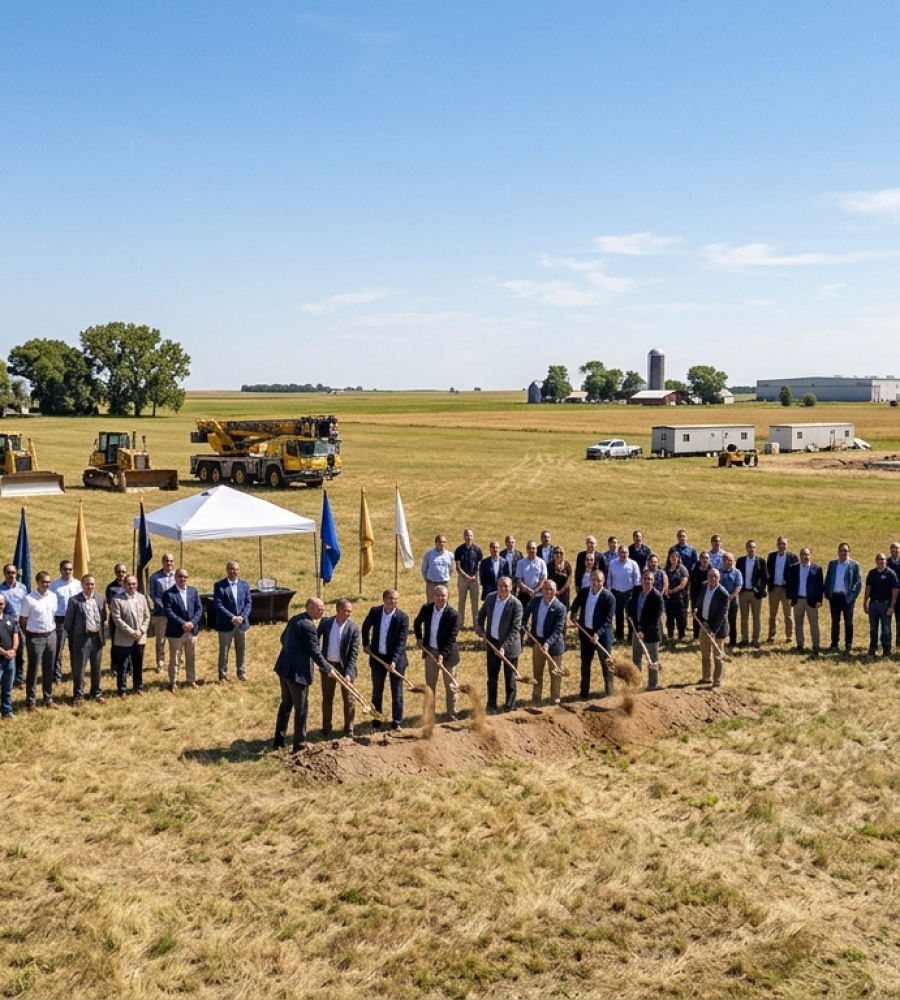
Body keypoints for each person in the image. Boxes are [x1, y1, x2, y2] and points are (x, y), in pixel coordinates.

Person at [273, 597, 335, 753]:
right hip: (296, 674)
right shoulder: (308, 626)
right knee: (301, 709)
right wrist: (328, 668)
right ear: (309, 608)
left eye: (323, 608)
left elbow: (283, 638)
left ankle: (279, 741)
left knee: (286, 705)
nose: (322, 611)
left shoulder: (295, 619)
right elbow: (315, 651)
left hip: (284, 669)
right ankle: (299, 744)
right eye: (318, 608)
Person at [361, 589, 409, 731]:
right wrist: (366, 644)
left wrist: (393, 661)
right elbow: (365, 627)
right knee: (377, 690)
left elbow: (401, 641)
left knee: (397, 691)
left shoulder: (402, 618)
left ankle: (397, 721)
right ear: (384, 599)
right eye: (390, 598)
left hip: (396, 660)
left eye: (395, 599)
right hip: (378, 658)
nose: (392, 601)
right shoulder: (375, 612)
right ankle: (377, 718)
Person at [413, 585, 461, 720]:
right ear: (434, 597)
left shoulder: (454, 615)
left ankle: (451, 713)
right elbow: (417, 623)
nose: (441, 598)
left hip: (448, 656)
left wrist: (442, 655)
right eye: (438, 595)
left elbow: (452, 638)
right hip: (430, 652)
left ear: (448, 597)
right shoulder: (426, 609)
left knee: (450, 686)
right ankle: (430, 714)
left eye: (443, 596)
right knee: (430, 686)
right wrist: (419, 638)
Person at [476, 576, 522, 713]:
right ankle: (491, 705)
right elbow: (481, 613)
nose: (503, 589)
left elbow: (515, 629)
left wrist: (504, 647)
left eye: (506, 586)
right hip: (492, 643)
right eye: (501, 586)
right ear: (497, 586)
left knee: (510, 679)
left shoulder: (516, 604)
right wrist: (479, 625)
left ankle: (509, 706)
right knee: (492, 678)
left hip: (510, 647)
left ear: (511, 588)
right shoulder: (490, 598)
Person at [318, 598, 361, 738]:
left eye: (350, 611)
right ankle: (326, 728)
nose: (348, 614)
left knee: (348, 700)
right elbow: (315, 641)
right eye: (346, 611)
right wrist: (322, 663)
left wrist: (348, 673)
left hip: (345, 669)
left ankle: (349, 730)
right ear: (338, 610)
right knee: (327, 698)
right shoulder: (326, 623)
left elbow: (354, 653)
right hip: (328, 666)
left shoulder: (353, 628)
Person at [570, 570, 616, 698]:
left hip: (603, 635)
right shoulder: (584, 592)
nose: (596, 583)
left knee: (606, 663)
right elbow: (575, 605)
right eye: (593, 580)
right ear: (590, 580)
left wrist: (598, 634)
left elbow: (608, 619)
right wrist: (573, 615)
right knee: (585, 663)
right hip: (586, 633)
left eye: (599, 580)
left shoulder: (609, 597)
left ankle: (610, 691)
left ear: (603, 581)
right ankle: (584, 692)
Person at [63, 574, 107, 705]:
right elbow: (68, 623)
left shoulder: (100, 598)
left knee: (96, 667)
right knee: (79, 668)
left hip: (97, 638)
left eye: (92, 584)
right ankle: (78, 695)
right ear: (82, 585)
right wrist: (74, 639)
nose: (90, 587)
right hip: (81, 640)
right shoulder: (74, 601)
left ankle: (96, 692)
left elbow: (103, 617)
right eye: (87, 584)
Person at [522, 579, 566, 705]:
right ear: (542, 590)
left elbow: (558, 630)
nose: (548, 592)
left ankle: (555, 699)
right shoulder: (536, 601)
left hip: (554, 646)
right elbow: (526, 613)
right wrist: (524, 624)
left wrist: (548, 643)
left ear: (555, 591)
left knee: (555, 674)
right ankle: (536, 698)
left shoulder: (560, 608)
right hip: (538, 643)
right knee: (537, 672)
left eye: (551, 589)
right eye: (546, 589)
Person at [19, 571, 58, 711]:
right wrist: (29, 633)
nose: (46, 585)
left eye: (48, 582)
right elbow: (22, 620)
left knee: (49, 668)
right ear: (38, 582)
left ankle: (48, 698)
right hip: (35, 637)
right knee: (33, 669)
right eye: (44, 582)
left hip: (51, 635)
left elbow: (53, 614)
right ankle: (31, 701)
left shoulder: (53, 597)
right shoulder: (29, 599)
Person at [110, 575, 150, 698]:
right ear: (124, 585)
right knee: (123, 665)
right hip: (124, 638)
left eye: (134, 584)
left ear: (137, 584)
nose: (131, 586)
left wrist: (141, 630)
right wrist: (132, 632)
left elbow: (147, 616)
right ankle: (122, 690)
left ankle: (138, 686)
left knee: (138, 663)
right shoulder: (117, 599)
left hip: (140, 638)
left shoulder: (142, 598)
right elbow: (117, 619)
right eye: (128, 584)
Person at [163, 568, 203, 691]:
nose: (182, 579)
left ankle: (191, 680)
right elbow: (169, 612)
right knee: (175, 658)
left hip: (191, 630)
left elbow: (199, 609)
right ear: (175, 578)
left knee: (191, 657)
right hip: (176, 632)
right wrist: (182, 623)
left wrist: (192, 622)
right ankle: (173, 682)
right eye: (180, 576)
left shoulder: (193, 591)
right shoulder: (168, 594)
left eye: (185, 577)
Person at [212, 560, 252, 682]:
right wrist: (232, 617)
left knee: (241, 649)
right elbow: (218, 605)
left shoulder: (244, 585)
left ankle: (241, 673)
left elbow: (248, 603)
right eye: (230, 569)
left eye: (235, 569)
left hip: (241, 624)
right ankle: (222, 675)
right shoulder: (219, 585)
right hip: (225, 624)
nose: (233, 571)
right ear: (226, 570)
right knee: (224, 650)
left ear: (238, 571)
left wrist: (242, 617)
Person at [628, 570, 664, 690]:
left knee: (652, 659)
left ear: (653, 581)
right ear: (641, 580)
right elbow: (631, 605)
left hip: (651, 633)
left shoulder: (657, 596)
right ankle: (637, 682)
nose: (647, 581)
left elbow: (655, 617)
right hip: (636, 629)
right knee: (636, 658)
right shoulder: (637, 590)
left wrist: (643, 631)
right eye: (645, 579)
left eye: (650, 579)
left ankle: (653, 685)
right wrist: (629, 613)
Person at [823, 542, 862, 654]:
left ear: (849, 552)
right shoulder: (832, 564)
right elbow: (828, 579)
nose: (843, 553)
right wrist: (827, 593)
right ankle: (834, 643)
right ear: (838, 552)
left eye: (846, 551)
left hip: (847, 598)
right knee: (835, 621)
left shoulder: (854, 565)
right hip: (835, 597)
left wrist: (851, 595)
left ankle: (848, 645)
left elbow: (858, 583)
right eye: (841, 550)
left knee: (848, 622)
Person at [786, 547, 824, 658]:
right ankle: (800, 645)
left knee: (814, 625)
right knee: (798, 623)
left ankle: (816, 647)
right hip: (798, 600)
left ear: (810, 555)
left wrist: (819, 600)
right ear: (800, 556)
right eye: (802, 554)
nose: (804, 557)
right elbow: (790, 584)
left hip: (811, 601)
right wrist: (790, 597)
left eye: (807, 554)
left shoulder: (817, 569)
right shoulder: (794, 568)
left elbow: (820, 586)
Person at [696, 567, 729, 687]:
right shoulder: (705, 586)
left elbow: (722, 614)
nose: (712, 578)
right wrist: (701, 618)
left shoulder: (723, 593)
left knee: (718, 655)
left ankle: (717, 679)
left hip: (717, 629)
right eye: (710, 576)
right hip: (704, 625)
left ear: (719, 578)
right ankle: (706, 677)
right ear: (707, 577)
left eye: (715, 576)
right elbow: (700, 601)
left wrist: (713, 630)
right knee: (705, 653)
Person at [50, 559, 82, 684]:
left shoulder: (78, 584)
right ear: (60, 570)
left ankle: (76, 674)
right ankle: (56, 676)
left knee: (75, 649)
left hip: (75, 620)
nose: (67, 571)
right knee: (58, 650)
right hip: (60, 620)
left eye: (70, 569)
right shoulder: (54, 585)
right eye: (65, 569)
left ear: (73, 570)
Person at [863, 553, 899, 658]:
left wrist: (892, 606)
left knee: (886, 628)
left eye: (883, 559)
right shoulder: (872, 573)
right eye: (879, 559)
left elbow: (895, 590)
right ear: (876, 560)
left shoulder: (891, 574)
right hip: (873, 604)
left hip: (885, 605)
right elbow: (868, 588)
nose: (881, 561)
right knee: (873, 628)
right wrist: (865, 602)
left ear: (886, 561)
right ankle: (873, 649)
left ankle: (887, 650)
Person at [767, 537, 799, 642]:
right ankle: (771, 635)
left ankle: (789, 636)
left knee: (788, 614)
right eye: (780, 544)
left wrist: (793, 591)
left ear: (787, 545)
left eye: (784, 544)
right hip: (774, 589)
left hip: (786, 591)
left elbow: (796, 575)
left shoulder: (793, 558)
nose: (782, 546)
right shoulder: (771, 557)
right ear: (777, 544)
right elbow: (768, 572)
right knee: (772, 614)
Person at [736, 540, 768, 647]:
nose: (751, 549)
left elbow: (765, 578)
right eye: (749, 547)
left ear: (756, 548)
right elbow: (738, 576)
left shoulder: (761, 561)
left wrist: (760, 590)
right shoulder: (740, 561)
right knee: (744, 617)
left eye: (753, 547)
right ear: (746, 548)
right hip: (743, 593)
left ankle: (755, 640)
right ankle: (744, 639)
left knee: (756, 617)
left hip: (755, 594)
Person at [0, 564, 28, 687]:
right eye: (9, 573)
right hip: (5, 625)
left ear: (17, 574)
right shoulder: (0, 589)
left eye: (13, 573)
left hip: (20, 624)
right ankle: (5, 678)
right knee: (5, 651)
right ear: (4, 574)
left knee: (19, 653)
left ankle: (19, 679)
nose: (11, 575)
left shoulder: (23, 588)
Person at [148, 553, 176, 673]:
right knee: (161, 640)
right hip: (161, 613)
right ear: (162, 562)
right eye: (166, 561)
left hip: (175, 614)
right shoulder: (155, 577)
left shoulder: (178, 575)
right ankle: (160, 662)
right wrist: (162, 605)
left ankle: (175, 661)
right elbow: (152, 594)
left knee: (175, 639)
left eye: (171, 561)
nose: (169, 563)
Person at [607, 545, 641, 643]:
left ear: (628, 553)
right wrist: (609, 591)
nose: (624, 554)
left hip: (629, 592)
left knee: (630, 615)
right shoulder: (613, 563)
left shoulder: (633, 564)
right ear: (618, 553)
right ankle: (619, 636)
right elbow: (609, 578)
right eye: (622, 552)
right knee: (618, 615)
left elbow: (637, 580)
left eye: (626, 552)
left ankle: (631, 636)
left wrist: (634, 594)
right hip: (616, 592)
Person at [454, 529, 483, 629]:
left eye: (470, 535)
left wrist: (475, 575)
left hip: (475, 579)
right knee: (461, 602)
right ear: (464, 536)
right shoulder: (459, 550)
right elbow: (458, 567)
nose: (468, 537)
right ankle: (460, 624)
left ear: (473, 537)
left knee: (475, 603)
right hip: (463, 579)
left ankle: (476, 624)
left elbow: (479, 565)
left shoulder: (477, 550)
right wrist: (466, 576)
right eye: (466, 535)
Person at [0, 594, 19, 720]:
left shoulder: (10, 619)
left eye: (1, 604)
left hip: (10, 659)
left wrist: (13, 650)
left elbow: (15, 635)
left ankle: (7, 712)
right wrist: (4, 652)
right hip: (1, 658)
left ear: (4, 604)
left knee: (7, 688)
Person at [663, 549, 689, 643]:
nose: (674, 558)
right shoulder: (665, 570)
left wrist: (672, 591)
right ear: (669, 558)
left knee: (680, 618)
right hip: (669, 599)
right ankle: (670, 635)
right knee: (670, 618)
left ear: (679, 558)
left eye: (676, 556)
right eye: (672, 556)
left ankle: (681, 636)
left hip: (680, 598)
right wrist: (666, 591)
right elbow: (664, 582)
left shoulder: (682, 569)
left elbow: (683, 584)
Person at [719, 552, 743, 649]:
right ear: (723, 561)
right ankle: (720, 640)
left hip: (733, 601)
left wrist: (732, 596)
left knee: (732, 621)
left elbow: (739, 585)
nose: (728, 562)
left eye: (730, 560)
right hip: (721, 601)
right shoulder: (719, 572)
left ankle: (733, 641)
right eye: (726, 560)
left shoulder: (737, 572)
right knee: (720, 621)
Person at [421, 535, 454, 603]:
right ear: (436, 543)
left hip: (444, 583)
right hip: (432, 584)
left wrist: (446, 578)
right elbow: (424, 569)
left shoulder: (450, 555)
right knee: (431, 603)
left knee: (444, 603)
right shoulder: (429, 555)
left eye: (444, 542)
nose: (442, 544)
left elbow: (451, 569)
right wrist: (427, 579)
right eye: (440, 542)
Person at [515, 541, 548, 607]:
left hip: (538, 594)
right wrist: (529, 591)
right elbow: (519, 580)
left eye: (533, 548)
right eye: (529, 548)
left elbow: (543, 579)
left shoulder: (542, 562)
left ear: (536, 550)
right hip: (524, 594)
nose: (531, 550)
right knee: (523, 616)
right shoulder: (521, 563)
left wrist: (535, 591)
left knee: (537, 616)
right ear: (526, 550)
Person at [689, 551, 712, 639]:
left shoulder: (712, 571)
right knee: (696, 617)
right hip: (696, 598)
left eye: (707, 558)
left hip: (708, 597)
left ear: (709, 560)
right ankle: (696, 636)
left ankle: (707, 634)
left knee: (707, 617)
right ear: (700, 559)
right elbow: (692, 586)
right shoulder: (695, 571)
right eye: (703, 558)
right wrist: (693, 599)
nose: (705, 560)